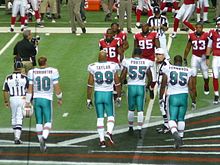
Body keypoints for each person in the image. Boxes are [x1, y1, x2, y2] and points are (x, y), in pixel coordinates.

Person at [25, 56, 63, 152]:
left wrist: (27, 101)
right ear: (46, 62)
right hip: (47, 99)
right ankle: (44, 137)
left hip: (36, 99)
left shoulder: (32, 72)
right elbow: (56, 87)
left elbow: (30, 89)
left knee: (38, 122)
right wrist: (59, 97)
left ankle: (41, 144)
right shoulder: (52, 71)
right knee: (48, 122)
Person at [159, 55, 196, 149]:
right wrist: (194, 100)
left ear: (174, 61)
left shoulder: (168, 68)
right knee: (181, 118)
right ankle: (181, 139)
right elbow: (191, 87)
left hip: (172, 96)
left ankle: (175, 134)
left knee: (171, 119)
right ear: (181, 62)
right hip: (184, 96)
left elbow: (163, 83)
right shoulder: (188, 70)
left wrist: (161, 96)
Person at [87, 50, 121, 148]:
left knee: (100, 118)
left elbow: (90, 84)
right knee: (110, 116)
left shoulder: (92, 66)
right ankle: (109, 132)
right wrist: (118, 96)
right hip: (108, 93)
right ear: (106, 57)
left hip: (98, 94)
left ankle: (102, 140)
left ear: (98, 57)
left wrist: (88, 99)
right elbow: (117, 82)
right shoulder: (112, 65)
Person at [120, 48, 152, 138]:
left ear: (133, 53)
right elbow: (150, 77)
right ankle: (139, 129)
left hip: (131, 86)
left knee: (131, 109)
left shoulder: (127, 61)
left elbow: (122, 76)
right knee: (140, 110)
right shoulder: (146, 62)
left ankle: (130, 127)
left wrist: (121, 85)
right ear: (141, 54)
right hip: (141, 87)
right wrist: (147, 87)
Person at [2, 61, 29, 144]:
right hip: (22, 98)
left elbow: (5, 90)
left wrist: (6, 101)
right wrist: (29, 101)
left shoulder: (8, 77)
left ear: (14, 67)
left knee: (13, 117)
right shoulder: (25, 77)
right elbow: (29, 90)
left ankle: (16, 136)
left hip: (13, 98)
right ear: (21, 68)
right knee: (19, 117)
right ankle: (17, 137)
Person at [134, 23, 160, 99]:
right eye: (142, 27)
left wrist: (158, 58)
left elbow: (158, 47)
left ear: (148, 27)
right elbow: (135, 49)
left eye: (145, 26)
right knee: (142, 79)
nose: (144, 28)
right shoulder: (137, 36)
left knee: (154, 80)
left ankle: (150, 88)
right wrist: (134, 59)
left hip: (151, 59)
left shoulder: (154, 35)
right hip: (141, 60)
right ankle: (143, 93)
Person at [184, 22, 209, 96]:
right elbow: (188, 47)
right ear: (195, 28)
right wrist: (185, 57)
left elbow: (209, 47)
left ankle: (206, 85)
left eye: (200, 27)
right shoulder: (191, 36)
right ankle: (194, 89)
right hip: (195, 57)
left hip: (203, 57)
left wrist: (207, 56)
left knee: (206, 75)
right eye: (197, 27)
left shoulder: (206, 35)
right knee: (193, 74)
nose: (198, 29)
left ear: (202, 28)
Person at [155, 48, 170, 133]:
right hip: (161, 86)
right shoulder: (160, 63)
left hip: (164, 87)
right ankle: (166, 123)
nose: (157, 56)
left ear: (163, 55)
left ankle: (167, 125)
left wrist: (163, 91)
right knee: (162, 106)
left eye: (159, 54)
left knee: (163, 106)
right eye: (156, 54)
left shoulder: (166, 64)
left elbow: (166, 78)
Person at [206, 17, 220, 104]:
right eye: (219, 24)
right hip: (216, 57)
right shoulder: (212, 33)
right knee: (215, 76)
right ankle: (216, 94)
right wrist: (207, 58)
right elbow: (209, 46)